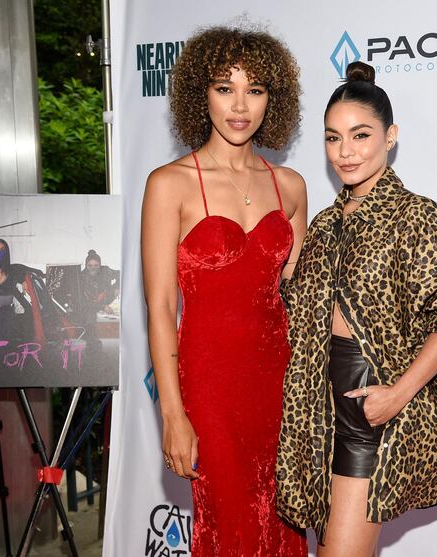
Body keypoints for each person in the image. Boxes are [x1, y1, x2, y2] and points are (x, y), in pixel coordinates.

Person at [275, 61, 437, 556]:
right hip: (314, 407)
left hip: (368, 407)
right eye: (333, 138)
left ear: (391, 135)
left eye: (360, 135)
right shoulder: (324, 224)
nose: (346, 151)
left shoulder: (419, 217)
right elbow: (297, 308)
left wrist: (398, 395)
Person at [140, 26, 308, 556]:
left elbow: (296, 297)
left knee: (283, 524)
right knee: (233, 526)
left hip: (280, 381)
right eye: (224, 87)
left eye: (254, 90)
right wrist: (173, 413)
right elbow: (162, 307)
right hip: (211, 384)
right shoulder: (170, 184)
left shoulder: (291, 186)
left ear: (271, 99)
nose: (240, 105)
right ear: (200, 93)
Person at [79, 249, 119, 339]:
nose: (93, 268)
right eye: (90, 265)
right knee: (90, 322)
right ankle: (93, 345)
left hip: (105, 298)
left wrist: (117, 287)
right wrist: (102, 307)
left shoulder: (105, 270)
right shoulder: (81, 277)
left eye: (96, 265)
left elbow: (120, 274)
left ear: (100, 265)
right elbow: (83, 302)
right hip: (91, 304)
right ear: (86, 265)